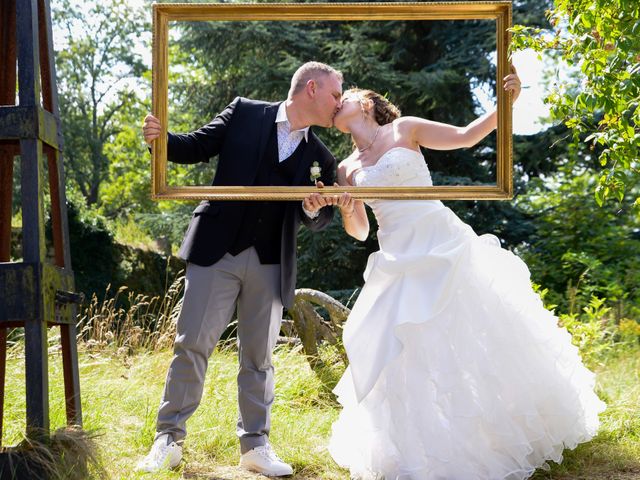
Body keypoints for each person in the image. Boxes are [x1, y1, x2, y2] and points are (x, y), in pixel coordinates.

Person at [327, 67, 606, 480]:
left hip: (441, 243)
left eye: (343, 98)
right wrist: (347, 207)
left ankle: (503, 426)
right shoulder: (346, 168)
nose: (336, 105)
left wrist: (506, 104)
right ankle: (423, 446)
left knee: (475, 332)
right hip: (396, 256)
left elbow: (465, 136)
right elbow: (360, 231)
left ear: (366, 104)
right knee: (402, 351)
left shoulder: (405, 129)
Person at [137, 61, 343, 476]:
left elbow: (322, 217)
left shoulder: (321, 156)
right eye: (337, 95)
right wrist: (159, 140)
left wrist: (313, 207)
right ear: (313, 89)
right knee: (191, 343)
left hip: (270, 262)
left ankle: (255, 446)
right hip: (217, 248)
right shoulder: (246, 111)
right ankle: (169, 440)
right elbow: (194, 146)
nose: (339, 105)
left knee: (259, 358)